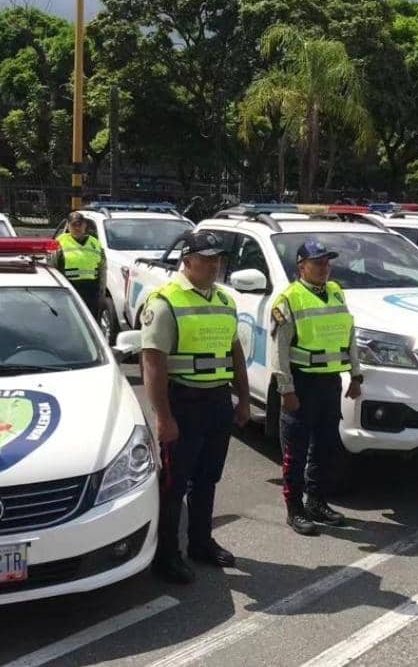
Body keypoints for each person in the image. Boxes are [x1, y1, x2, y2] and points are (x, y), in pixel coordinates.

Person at [140, 231, 251, 584]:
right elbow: (153, 364)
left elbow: (235, 354)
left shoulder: (224, 300)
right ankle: (166, 554)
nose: (215, 265)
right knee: (174, 484)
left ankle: (201, 543)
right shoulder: (164, 302)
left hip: (217, 402)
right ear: (187, 261)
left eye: (218, 259)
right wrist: (163, 417)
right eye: (206, 259)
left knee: (207, 479)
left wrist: (244, 399)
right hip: (182, 404)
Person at [270, 240, 363, 536]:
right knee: (295, 451)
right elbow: (280, 351)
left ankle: (317, 501)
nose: (324, 268)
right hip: (301, 382)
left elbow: (349, 335)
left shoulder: (335, 292)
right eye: (318, 262)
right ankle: (294, 508)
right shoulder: (288, 299)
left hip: (330, 383)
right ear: (302, 266)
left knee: (325, 447)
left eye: (327, 262)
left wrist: (356, 375)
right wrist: (286, 389)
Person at [55, 211, 105, 322]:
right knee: (71, 321)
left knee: (90, 321)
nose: (77, 228)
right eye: (74, 225)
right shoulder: (60, 241)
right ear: (68, 226)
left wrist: (102, 291)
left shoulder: (95, 242)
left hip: (92, 290)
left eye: (80, 224)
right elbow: (53, 266)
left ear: (85, 225)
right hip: (69, 289)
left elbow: (102, 267)